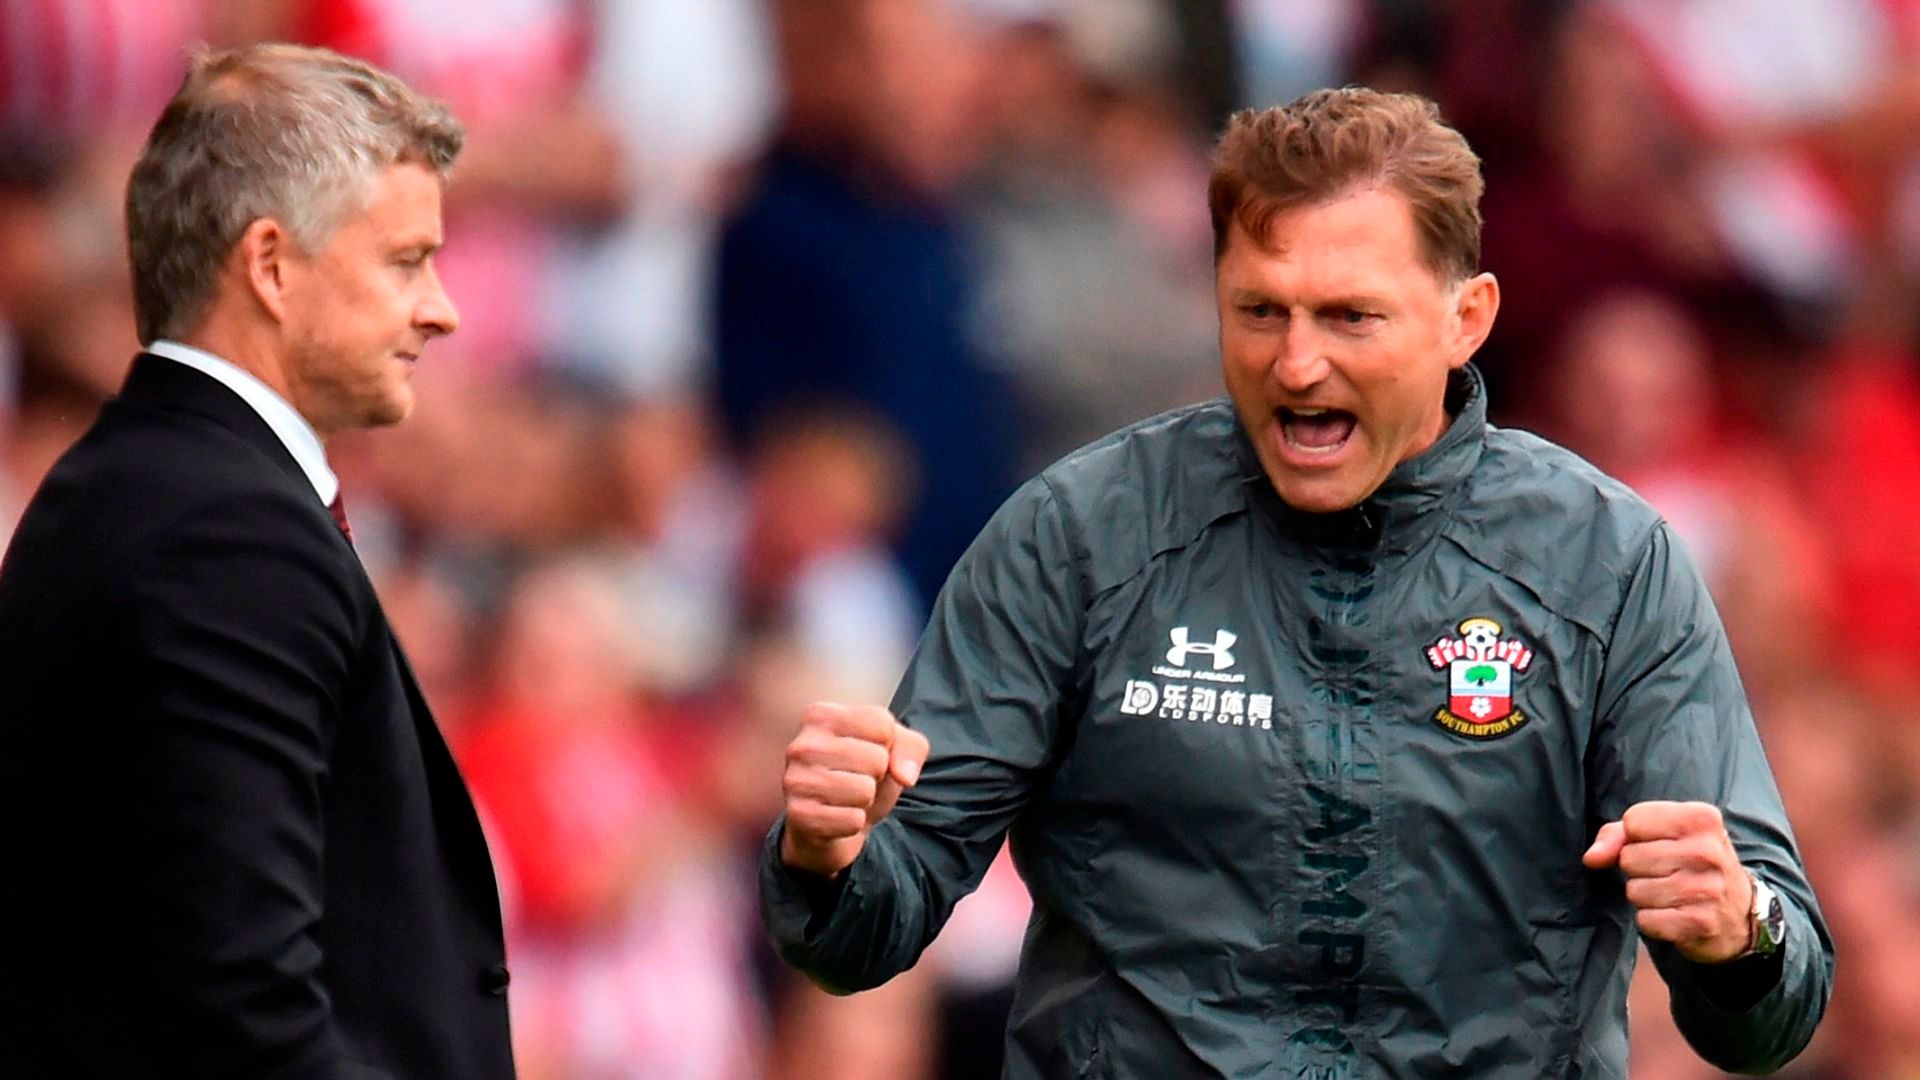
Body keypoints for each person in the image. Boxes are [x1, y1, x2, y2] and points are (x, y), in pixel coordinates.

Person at [761, 87, 1833, 1078]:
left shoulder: (1607, 567)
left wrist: (1741, 933)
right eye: (1261, 310)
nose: (1296, 364)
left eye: (1348, 317)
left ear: (1468, 317)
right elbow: (866, 930)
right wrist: (827, 854)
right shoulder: (1076, 540)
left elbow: (1771, 1011)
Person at [0, 45, 514, 1077]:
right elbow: (248, 1007)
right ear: (272, 265)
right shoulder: (227, 535)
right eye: (407, 260)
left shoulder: (128, 484)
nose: (441, 309)